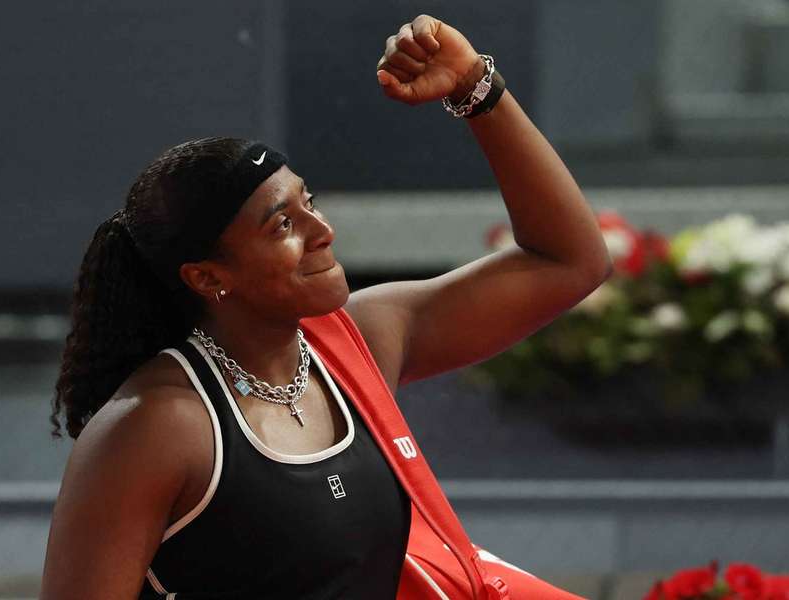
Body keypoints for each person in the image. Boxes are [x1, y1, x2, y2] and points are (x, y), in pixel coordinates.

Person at [40, 14, 612, 600]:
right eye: (283, 223)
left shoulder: (355, 344)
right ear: (209, 276)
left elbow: (569, 263)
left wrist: (476, 89)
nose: (322, 230)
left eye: (308, 201)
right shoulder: (155, 427)